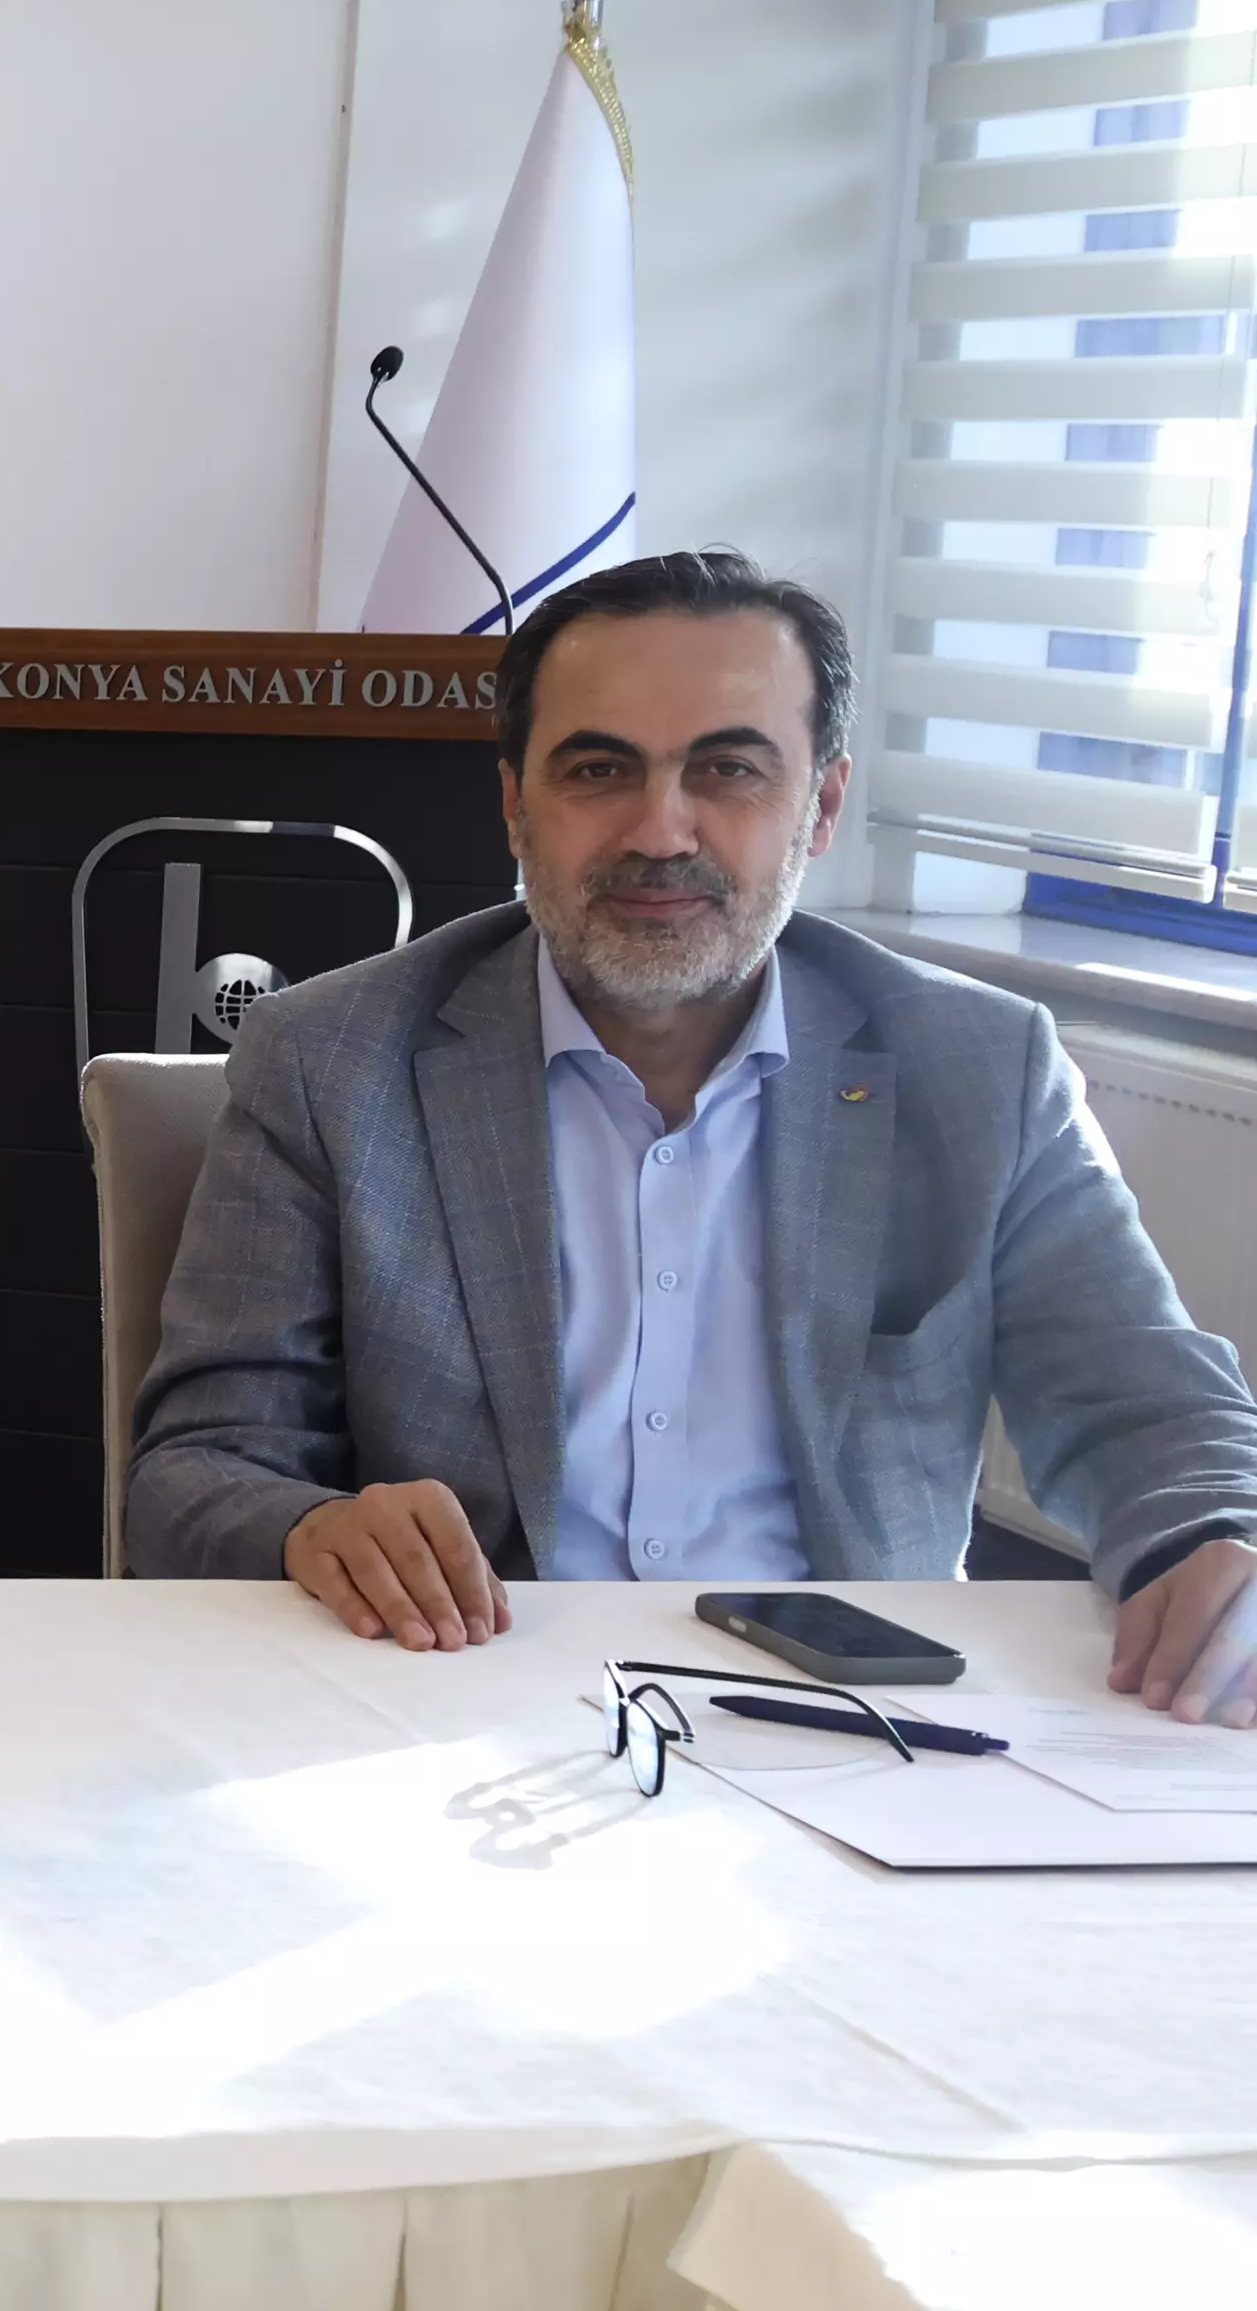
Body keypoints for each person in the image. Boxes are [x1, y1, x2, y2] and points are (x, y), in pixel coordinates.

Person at [129, 548, 1257, 1722]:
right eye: (599, 769)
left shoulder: (979, 1067)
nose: (661, 831)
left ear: (822, 806)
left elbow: (1150, 1407)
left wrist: (1217, 1538)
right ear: (515, 804)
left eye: (729, 769)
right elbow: (196, 1466)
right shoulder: (333, 1060)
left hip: (856, 1716)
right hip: (458, 1702)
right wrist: (312, 1525)